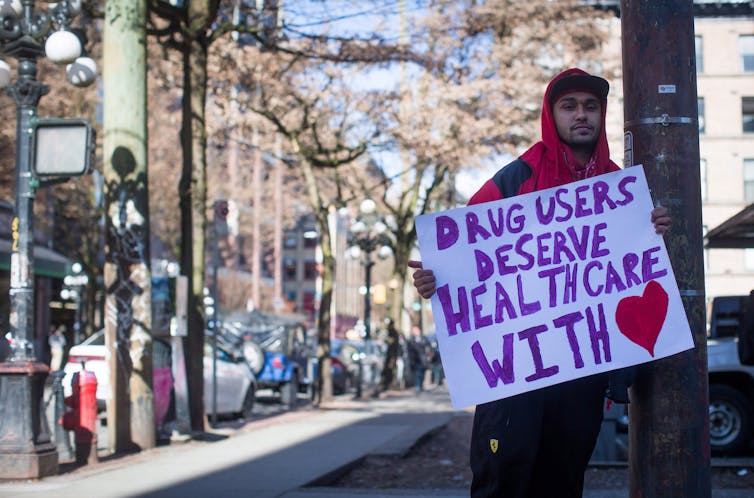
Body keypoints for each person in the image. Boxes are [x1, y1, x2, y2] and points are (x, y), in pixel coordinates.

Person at [408, 68, 671, 498]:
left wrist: (655, 228)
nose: (581, 115)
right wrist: (436, 278)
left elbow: (638, 268)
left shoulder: (620, 189)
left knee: (563, 483)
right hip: (514, 376)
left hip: (582, 374)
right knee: (502, 481)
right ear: (551, 115)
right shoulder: (516, 178)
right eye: (569, 106)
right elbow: (467, 250)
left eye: (591, 107)